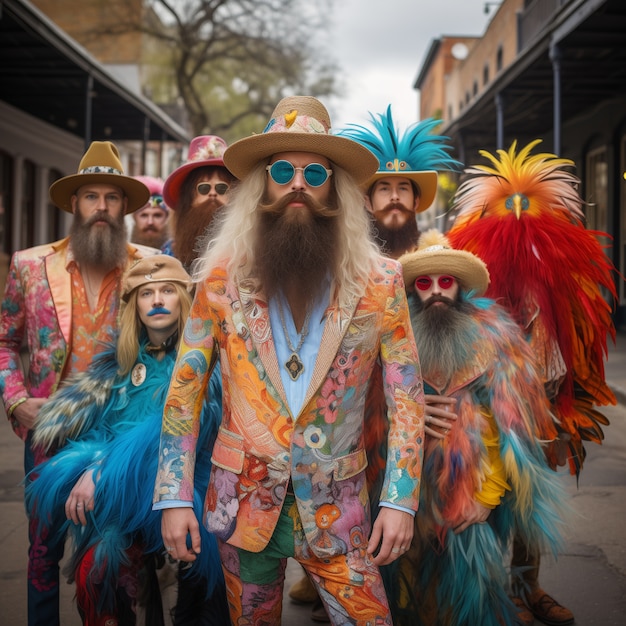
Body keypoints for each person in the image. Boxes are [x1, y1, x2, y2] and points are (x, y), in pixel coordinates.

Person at [152, 95, 426, 626]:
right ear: (262, 186)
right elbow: (184, 393)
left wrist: (400, 500)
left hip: (341, 511)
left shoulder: (382, 282)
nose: (297, 182)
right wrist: (172, 497)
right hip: (243, 509)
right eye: (282, 170)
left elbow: (408, 400)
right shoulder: (220, 278)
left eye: (314, 172)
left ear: (335, 187)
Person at [447, 140, 619, 626]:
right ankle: (491, 592)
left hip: (545, 401)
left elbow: (580, 343)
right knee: (485, 497)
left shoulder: (560, 276)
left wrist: (569, 404)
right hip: (486, 401)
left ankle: (527, 587)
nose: (519, 222)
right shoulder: (475, 278)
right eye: (508, 213)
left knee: (532, 499)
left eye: (530, 213)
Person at [25, 255, 228, 626]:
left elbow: (174, 430)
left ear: (184, 299)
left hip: (189, 491)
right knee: (98, 568)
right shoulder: (118, 365)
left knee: (203, 590)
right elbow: (103, 429)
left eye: (167, 290)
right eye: (146, 293)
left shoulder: (208, 359)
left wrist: (103, 467)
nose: (157, 300)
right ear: (134, 305)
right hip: (123, 496)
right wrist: (95, 459)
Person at [0, 141, 152, 626]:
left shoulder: (148, 269)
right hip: (49, 431)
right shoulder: (30, 265)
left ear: (125, 207)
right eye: (92, 197)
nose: (102, 207)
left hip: (119, 434)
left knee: (118, 554)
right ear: (75, 205)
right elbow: (5, 341)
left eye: (112, 197)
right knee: (43, 551)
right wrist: (16, 400)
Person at [386, 229, 567, 626]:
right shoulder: (391, 336)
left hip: (468, 500)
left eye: (445, 281)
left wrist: (487, 496)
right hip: (404, 499)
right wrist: (404, 410)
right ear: (412, 289)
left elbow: (510, 432)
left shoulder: (494, 340)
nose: (435, 291)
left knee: (466, 604)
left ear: (460, 287)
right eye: (424, 282)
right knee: (407, 598)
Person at [340, 106, 460, 259]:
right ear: (368, 203)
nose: (395, 197)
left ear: (416, 202)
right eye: (384, 189)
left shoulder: (440, 260)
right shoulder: (347, 263)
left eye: (403, 189)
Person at [161, 135, 236, 270]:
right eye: (204, 188)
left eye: (221, 188)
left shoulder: (247, 249)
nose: (212, 193)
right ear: (188, 198)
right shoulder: (169, 253)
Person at [129, 176, 170, 249]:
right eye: (144, 215)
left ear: (166, 218)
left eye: (157, 215)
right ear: (134, 218)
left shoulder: (178, 254)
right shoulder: (122, 255)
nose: (150, 222)